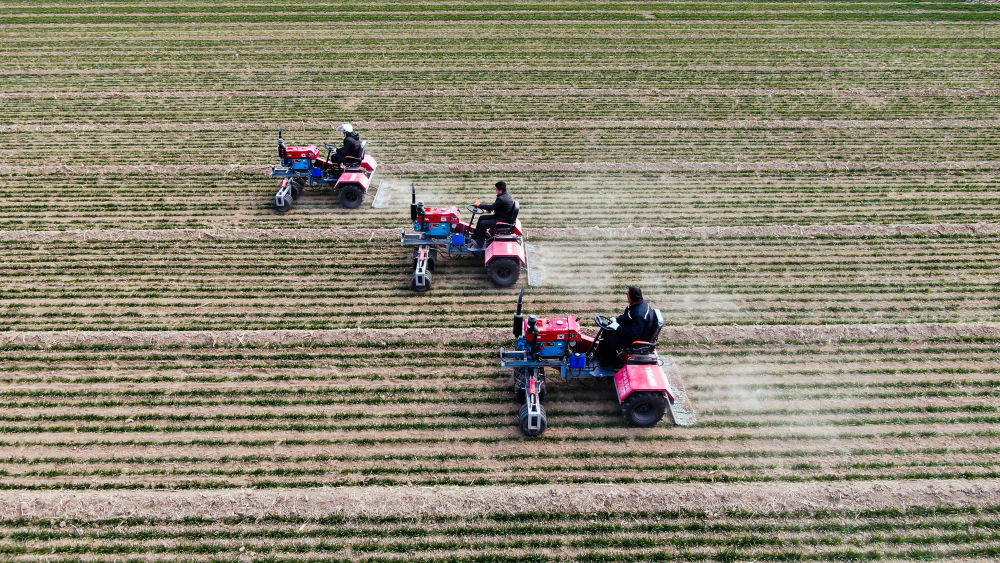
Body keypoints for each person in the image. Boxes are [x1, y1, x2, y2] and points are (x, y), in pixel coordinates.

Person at [595, 286, 658, 368]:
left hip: (636, 340)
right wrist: (616, 320)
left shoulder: (639, 314)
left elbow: (634, 334)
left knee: (609, 341)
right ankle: (600, 355)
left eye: (628, 293)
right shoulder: (637, 304)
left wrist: (618, 328)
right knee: (607, 331)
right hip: (632, 330)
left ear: (632, 296)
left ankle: (609, 364)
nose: (626, 295)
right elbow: (628, 315)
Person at [471, 181, 515, 247]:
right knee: (481, 218)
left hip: (502, 220)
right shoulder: (507, 196)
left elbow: (492, 207)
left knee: (483, 223)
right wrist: (490, 209)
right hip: (502, 216)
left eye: (496, 189)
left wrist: (479, 205)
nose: (496, 191)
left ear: (500, 190)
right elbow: (496, 207)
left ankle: (480, 243)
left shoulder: (501, 199)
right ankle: (476, 236)